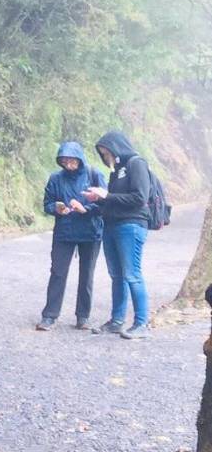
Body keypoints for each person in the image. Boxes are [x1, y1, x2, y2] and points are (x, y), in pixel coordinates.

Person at [83, 131, 152, 339]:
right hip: (111, 226)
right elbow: (114, 200)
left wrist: (108, 195)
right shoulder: (116, 170)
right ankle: (116, 320)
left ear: (117, 147)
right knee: (117, 276)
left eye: (108, 152)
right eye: (103, 154)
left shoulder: (136, 163)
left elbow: (140, 198)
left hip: (131, 226)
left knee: (132, 274)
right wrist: (99, 198)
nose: (106, 157)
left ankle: (142, 324)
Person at [37, 141, 104, 331]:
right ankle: (49, 316)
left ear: (80, 158)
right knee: (57, 273)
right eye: (64, 160)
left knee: (86, 275)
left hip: (90, 232)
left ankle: (83, 317)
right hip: (64, 232)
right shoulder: (56, 178)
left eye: (71, 160)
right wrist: (56, 208)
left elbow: (105, 203)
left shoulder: (94, 175)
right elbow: (47, 204)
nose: (68, 164)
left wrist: (86, 209)